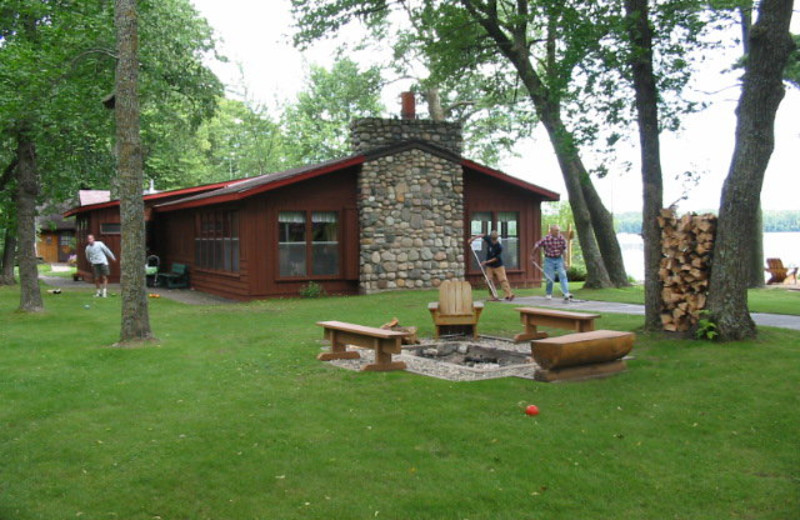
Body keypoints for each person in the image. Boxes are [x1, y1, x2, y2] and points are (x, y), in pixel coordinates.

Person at [468, 230, 515, 301]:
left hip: (498, 265)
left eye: (494, 240)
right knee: (488, 280)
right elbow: (482, 235)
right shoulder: (489, 239)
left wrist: (486, 262)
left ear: (496, 239)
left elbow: (496, 258)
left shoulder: (499, 247)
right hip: (489, 266)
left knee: (503, 279)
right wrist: (472, 239)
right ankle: (493, 296)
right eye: (492, 240)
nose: (493, 242)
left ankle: (509, 295)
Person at [532, 224, 571, 300]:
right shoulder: (546, 239)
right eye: (556, 230)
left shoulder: (561, 239)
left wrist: (565, 262)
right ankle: (548, 293)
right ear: (551, 231)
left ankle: (566, 293)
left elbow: (564, 250)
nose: (558, 232)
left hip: (559, 259)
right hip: (549, 260)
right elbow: (537, 245)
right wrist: (532, 255)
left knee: (563, 275)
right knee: (550, 278)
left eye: (559, 230)